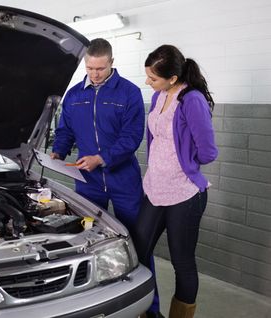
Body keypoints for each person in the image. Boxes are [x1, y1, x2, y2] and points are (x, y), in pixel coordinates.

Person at [50, 38, 162, 315]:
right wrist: (57, 153)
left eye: (100, 68)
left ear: (111, 63)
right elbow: (65, 132)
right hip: (88, 185)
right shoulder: (74, 95)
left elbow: (132, 137)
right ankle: (95, 304)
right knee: (90, 245)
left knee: (138, 244)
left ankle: (151, 308)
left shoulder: (129, 93)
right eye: (90, 68)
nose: (95, 74)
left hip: (124, 181)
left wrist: (102, 159)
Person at [135, 45, 218, 318]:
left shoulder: (191, 100)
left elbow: (208, 151)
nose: (148, 82)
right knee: (137, 251)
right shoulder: (160, 96)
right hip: (154, 189)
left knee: (181, 262)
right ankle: (145, 310)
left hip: (184, 194)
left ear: (172, 78)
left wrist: (181, 160)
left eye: (153, 78)